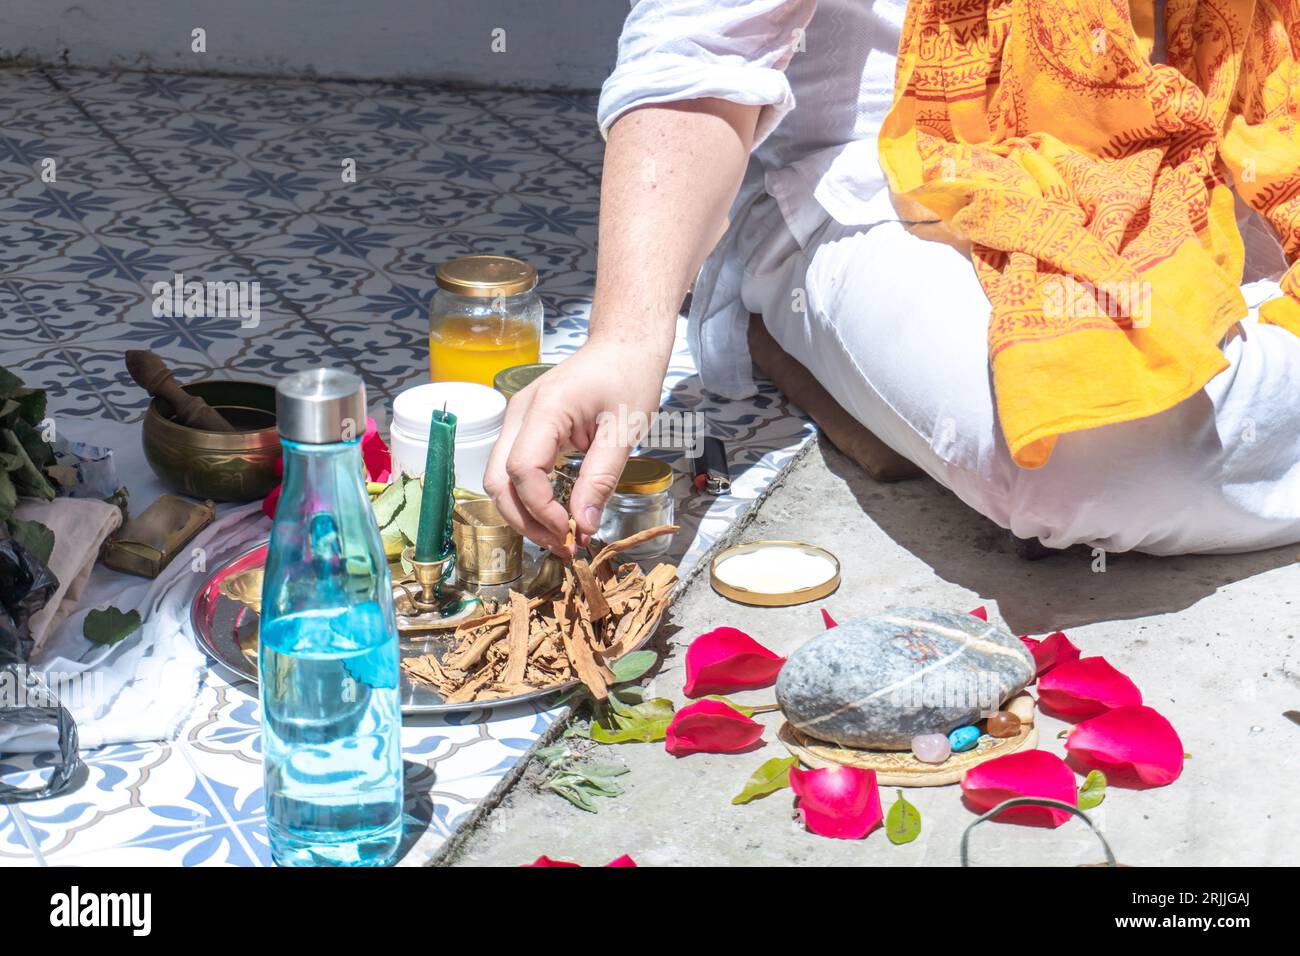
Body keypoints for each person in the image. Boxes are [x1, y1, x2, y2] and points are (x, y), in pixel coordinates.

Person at [483, 0, 1300, 557]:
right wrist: (626, 339)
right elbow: (702, 49)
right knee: (1097, 455)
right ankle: (800, 319)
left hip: (1206, 139)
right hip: (895, 190)